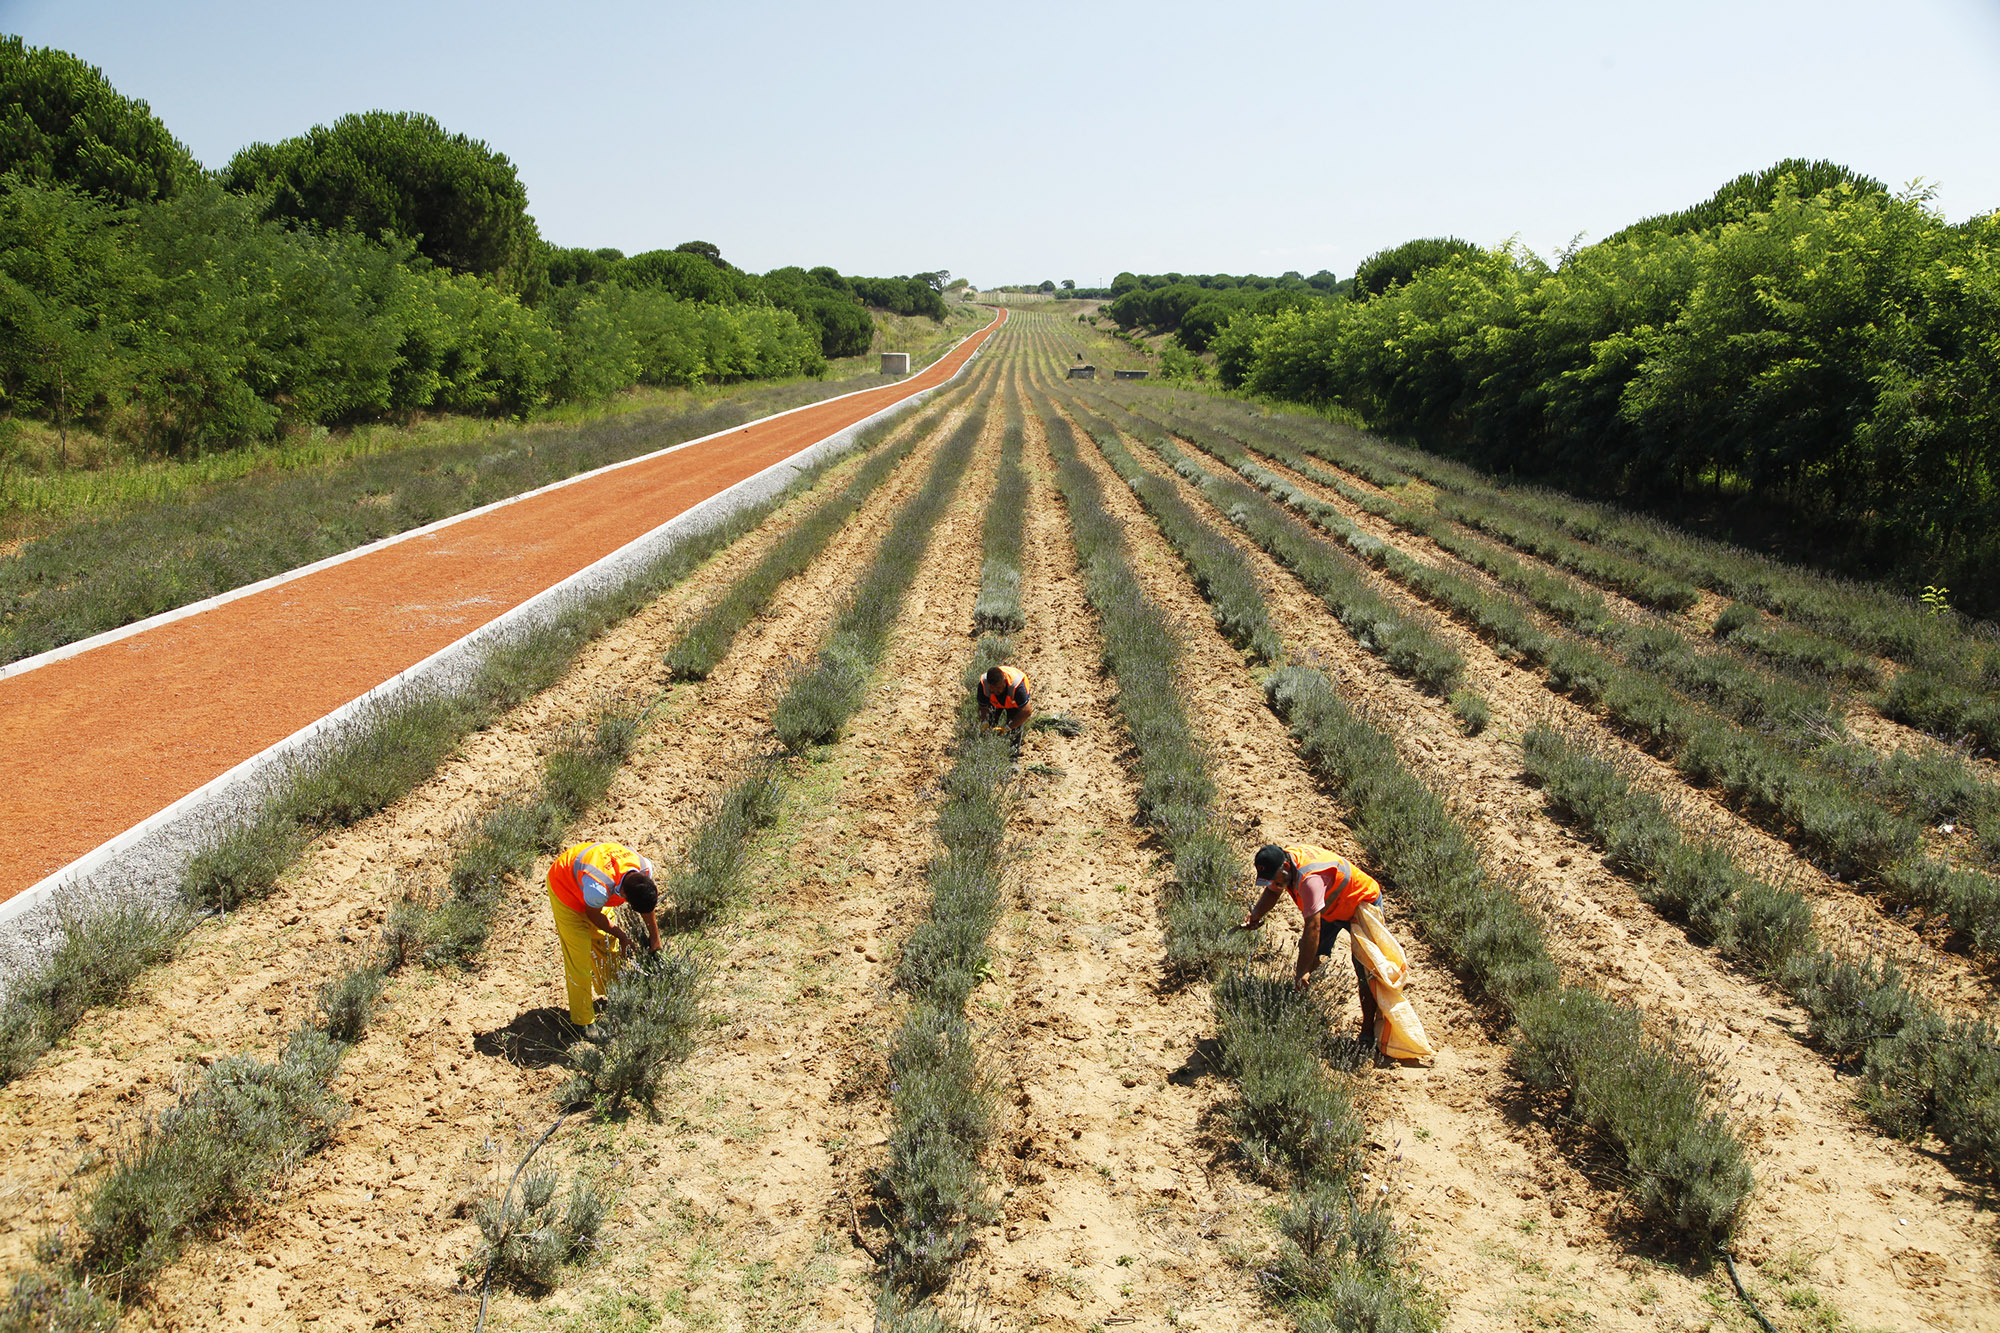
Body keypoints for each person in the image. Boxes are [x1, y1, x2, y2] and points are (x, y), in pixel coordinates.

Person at [1235, 842, 1385, 1043]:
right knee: (1310, 956)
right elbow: (1272, 891)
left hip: (1361, 902)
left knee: (1366, 969)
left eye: (1275, 879)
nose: (1274, 883)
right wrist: (1256, 914)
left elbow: (1312, 927)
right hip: (1331, 908)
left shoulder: (1309, 880)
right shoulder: (1283, 863)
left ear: (1286, 867)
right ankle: (1298, 1009)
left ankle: (1368, 1033)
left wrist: (1301, 970)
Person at [547, 839, 662, 1035]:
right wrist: (622, 935)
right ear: (623, 894)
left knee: (607, 946)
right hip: (565, 887)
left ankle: (615, 998)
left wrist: (655, 937)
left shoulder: (644, 869)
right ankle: (583, 1023)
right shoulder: (598, 888)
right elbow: (593, 915)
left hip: (591, 886)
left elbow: (646, 907)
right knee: (580, 959)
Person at [976, 664, 1034, 750]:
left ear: (1004, 681)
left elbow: (1026, 711)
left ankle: (1012, 757)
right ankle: (988, 750)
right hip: (994, 703)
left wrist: (1007, 727)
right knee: (989, 726)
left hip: (1013, 704)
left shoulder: (1017, 686)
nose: (996, 691)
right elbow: (983, 707)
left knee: (1014, 730)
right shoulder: (983, 685)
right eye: (992, 689)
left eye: (998, 688)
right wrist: (985, 722)